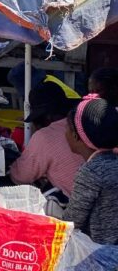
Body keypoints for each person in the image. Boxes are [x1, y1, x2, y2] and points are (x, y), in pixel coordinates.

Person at [9, 81, 83, 198]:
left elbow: (21, 176)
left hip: (76, 205)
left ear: (46, 116)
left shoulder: (45, 136)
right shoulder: (83, 124)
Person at [63, 94, 118, 245]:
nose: (64, 133)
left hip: (101, 256)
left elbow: (72, 221)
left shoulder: (91, 172)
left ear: (76, 136)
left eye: (66, 127)